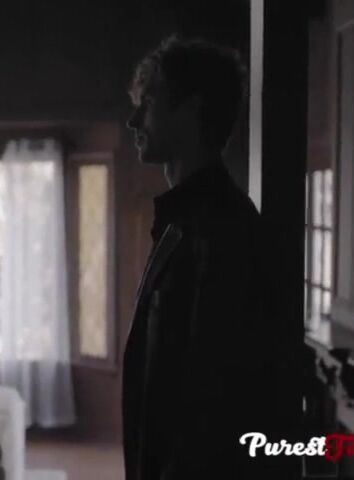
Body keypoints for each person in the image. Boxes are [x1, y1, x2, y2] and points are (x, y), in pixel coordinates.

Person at [122, 37, 302, 479]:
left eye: (148, 103)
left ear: (191, 109)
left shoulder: (223, 230)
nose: (133, 120)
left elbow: (213, 404)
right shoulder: (186, 222)